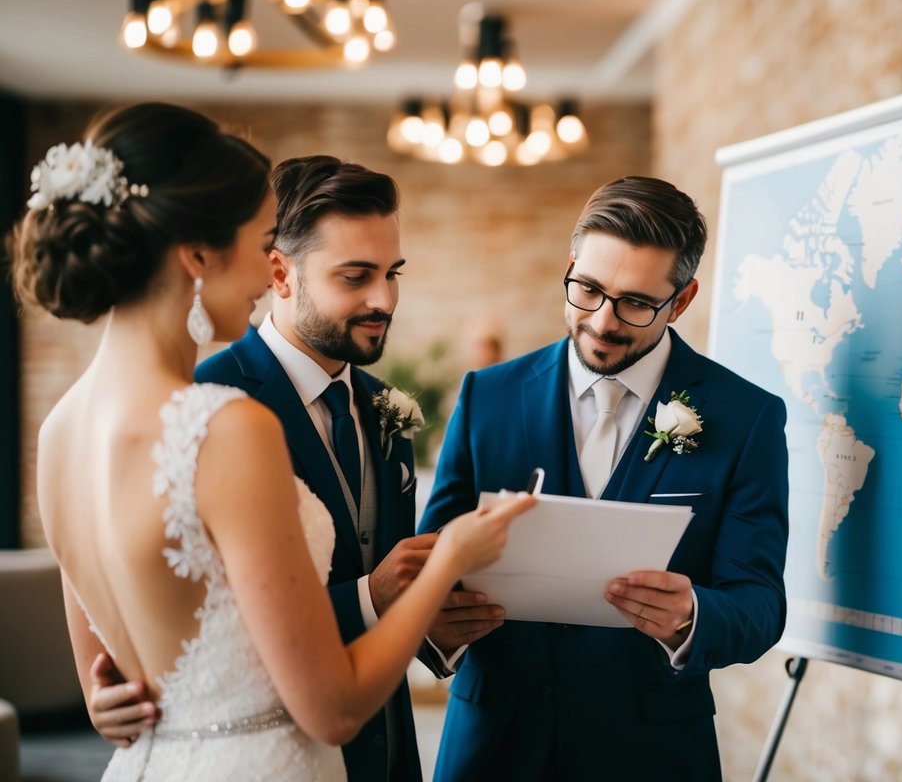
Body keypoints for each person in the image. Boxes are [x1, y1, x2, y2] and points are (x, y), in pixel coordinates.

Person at [8, 102, 533, 781]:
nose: (267, 273)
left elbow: (109, 672)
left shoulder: (58, 432)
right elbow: (334, 711)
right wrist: (448, 560)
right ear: (198, 254)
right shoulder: (225, 423)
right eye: (261, 247)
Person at [418, 176, 790, 781]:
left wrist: (693, 615)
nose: (603, 321)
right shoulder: (485, 396)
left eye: (636, 303)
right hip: (493, 747)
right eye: (587, 289)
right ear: (569, 266)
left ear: (683, 299)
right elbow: (431, 560)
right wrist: (433, 622)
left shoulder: (746, 418)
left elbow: (761, 603)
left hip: (651, 754)